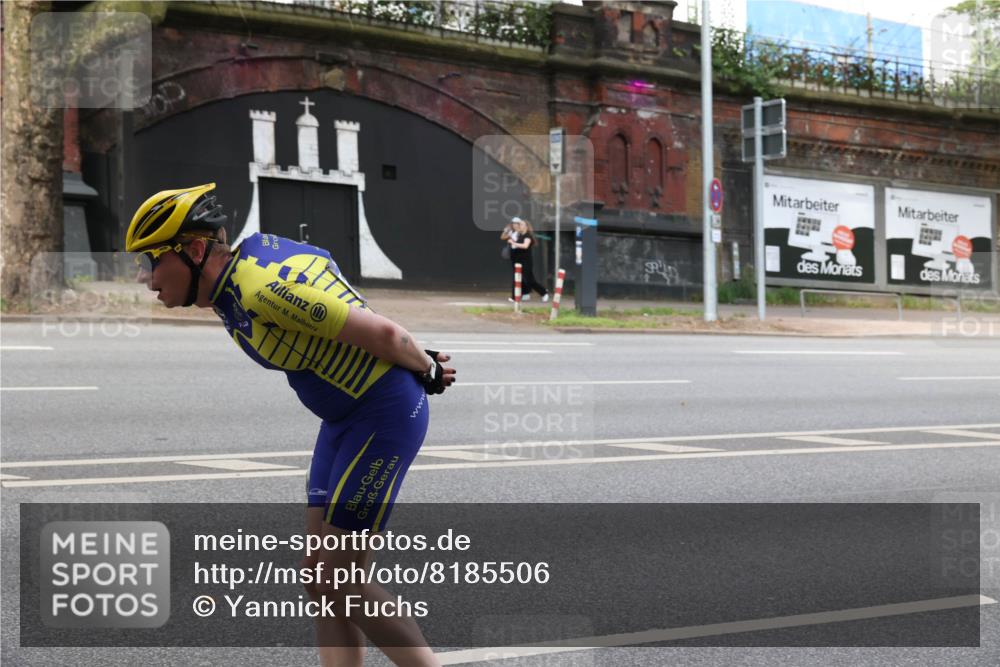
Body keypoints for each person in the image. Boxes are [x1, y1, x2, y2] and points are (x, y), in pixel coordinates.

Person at [125, 183, 454, 667]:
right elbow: (331, 282)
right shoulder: (238, 274)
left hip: (381, 416)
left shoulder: (258, 291)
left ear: (195, 251)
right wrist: (419, 358)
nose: (145, 278)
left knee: (342, 580)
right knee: (319, 578)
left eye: (151, 261)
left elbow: (381, 330)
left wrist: (423, 365)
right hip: (344, 419)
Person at [507, 218, 548, 302]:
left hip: (525, 262)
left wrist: (513, 243)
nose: (519, 226)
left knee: (529, 280)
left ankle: (543, 292)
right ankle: (518, 296)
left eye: (521, 224)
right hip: (517, 261)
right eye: (519, 224)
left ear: (526, 227)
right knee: (517, 279)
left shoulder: (527, 236)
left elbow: (525, 246)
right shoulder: (520, 235)